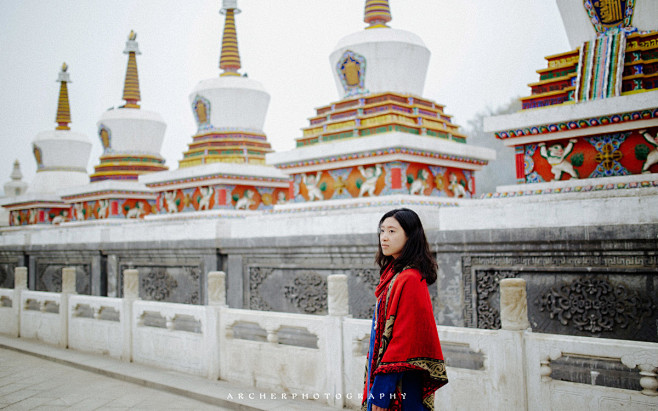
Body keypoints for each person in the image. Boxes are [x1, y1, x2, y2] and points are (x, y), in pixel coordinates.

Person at [363, 208, 448, 411]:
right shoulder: (393, 274)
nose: (384, 237)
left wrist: (382, 392)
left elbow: (402, 339)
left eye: (392, 231)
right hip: (388, 374)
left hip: (400, 381)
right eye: (382, 231)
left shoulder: (408, 278)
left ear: (410, 236)